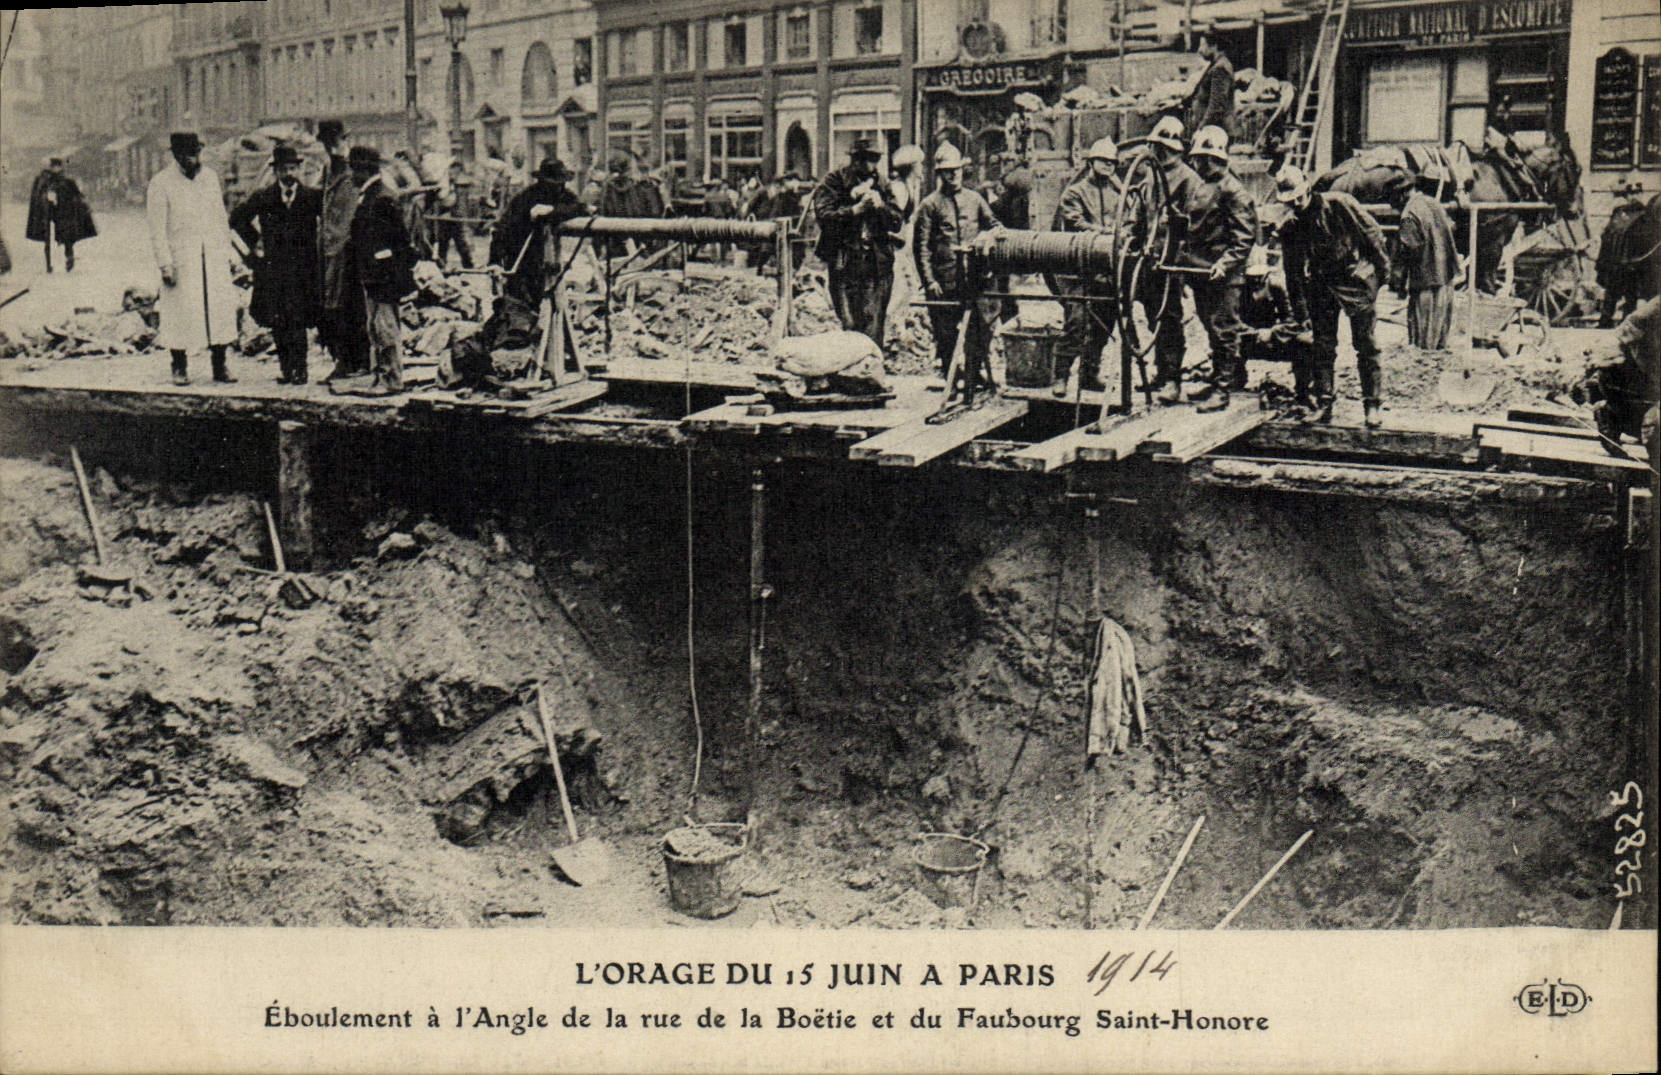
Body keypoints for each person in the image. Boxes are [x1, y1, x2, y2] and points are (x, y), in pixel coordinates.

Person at [448, 158, 587, 393]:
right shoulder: (525, 199)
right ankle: (493, 356)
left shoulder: (562, 195)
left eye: (561, 183)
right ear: (542, 181)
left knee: (537, 309)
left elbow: (580, 208)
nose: (558, 187)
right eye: (553, 182)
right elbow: (500, 231)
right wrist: (494, 262)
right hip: (521, 262)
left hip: (544, 263)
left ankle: (533, 360)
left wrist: (551, 211)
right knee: (518, 312)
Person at [1275, 163, 1391, 428]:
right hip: (1321, 286)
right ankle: (1325, 403)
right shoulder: (1291, 227)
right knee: (1323, 347)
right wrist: (1300, 311)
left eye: (1299, 198)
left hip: (1354, 282)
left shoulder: (1339, 204)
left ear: (1307, 189)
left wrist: (1380, 276)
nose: (1297, 205)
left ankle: (1372, 405)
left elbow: (1373, 235)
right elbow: (1292, 273)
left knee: (1366, 345)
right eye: (1290, 202)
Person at [146, 132, 241, 386]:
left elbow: (221, 219)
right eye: (189, 155)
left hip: (212, 255)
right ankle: (179, 365)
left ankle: (219, 364)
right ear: (177, 155)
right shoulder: (161, 183)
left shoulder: (209, 178)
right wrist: (165, 263)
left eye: (197, 153)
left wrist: (228, 254)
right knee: (180, 312)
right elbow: (157, 230)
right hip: (182, 259)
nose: (195, 159)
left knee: (217, 310)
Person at [1175, 125, 1256, 412]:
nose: (1195, 162)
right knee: (1210, 326)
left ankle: (1223, 390)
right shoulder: (1201, 186)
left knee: (1224, 329)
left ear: (1213, 159)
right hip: (1201, 272)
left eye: (1200, 158)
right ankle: (1221, 380)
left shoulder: (1233, 190)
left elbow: (1245, 237)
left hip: (1223, 275)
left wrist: (1225, 263)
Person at [230, 143, 323, 385]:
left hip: (304, 270)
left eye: (293, 168)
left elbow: (331, 221)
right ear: (276, 171)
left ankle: (301, 369)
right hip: (274, 269)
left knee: (299, 320)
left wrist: (321, 250)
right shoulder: (265, 197)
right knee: (278, 319)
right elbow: (237, 219)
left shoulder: (311, 197)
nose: (290, 174)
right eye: (284, 169)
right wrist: (255, 251)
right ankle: (285, 368)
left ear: (299, 170)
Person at [913, 142, 1002, 391]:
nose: (953, 175)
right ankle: (951, 376)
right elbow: (921, 248)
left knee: (981, 326)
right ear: (939, 174)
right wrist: (930, 281)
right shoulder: (929, 205)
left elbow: (995, 225)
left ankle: (974, 372)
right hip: (945, 280)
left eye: (956, 170)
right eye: (947, 171)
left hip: (975, 277)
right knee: (946, 332)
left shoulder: (975, 199)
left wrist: (990, 236)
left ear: (963, 170)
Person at [1135, 116, 1204, 403]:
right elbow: (1140, 214)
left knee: (1170, 317)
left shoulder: (1188, 178)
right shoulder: (1151, 177)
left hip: (1171, 261)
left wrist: (1180, 256)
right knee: (1154, 318)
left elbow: (1195, 223)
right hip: (1150, 259)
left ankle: (1173, 379)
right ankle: (1162, 372)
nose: (1155, 151)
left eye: (1159, 147)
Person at [813, 138, 904, 343]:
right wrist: (854, 210)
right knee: (849, 322)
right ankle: (849, 371)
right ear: (852, 160)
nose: (867, 166)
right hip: (844, 262)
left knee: (873, 323)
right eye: (862, 160)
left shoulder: (882, 183)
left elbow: (897, 221)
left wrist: (881, 207)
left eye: (873, 160)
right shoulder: (834, 181)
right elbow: (824, 216)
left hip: (876, 263)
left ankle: (869, 370)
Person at [346, 146, 417, 395]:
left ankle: (391, 378)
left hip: (383, 276)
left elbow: (398, 239)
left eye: (353, 169)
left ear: (363, 170)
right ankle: (382, 376)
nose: (351, 175)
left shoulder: (381, 197)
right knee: (375, 327)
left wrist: (386, 267)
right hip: (374, 274)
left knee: (385, 327)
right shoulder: (371, 195)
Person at [1054, 137, 1123, 393]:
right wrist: (1105, 232)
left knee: (1105, 324)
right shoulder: (1074, 193)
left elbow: (1127, 221)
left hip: (1105, 270)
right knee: (1076, 323)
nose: (1108, 166)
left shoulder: (1118, 192)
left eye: (1112, 162)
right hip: (1078, 269)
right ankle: (1060, 376)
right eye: (1103, 161)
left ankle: (1089, 374)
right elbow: (1075, 223)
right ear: (1091, 162)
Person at [315, 119, 370, 382]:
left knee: (350, 307)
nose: (332, 149)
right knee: (332, 306)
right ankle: (344, 360)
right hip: (329, 248)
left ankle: (355, 362)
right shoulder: (328, 171)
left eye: (335, 143)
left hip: (348, 249)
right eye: (328, 145)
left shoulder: (353, 171)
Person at [1391, 168, 1459, 351]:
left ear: (1404, 193)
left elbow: (1408, 253)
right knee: (1440, 341)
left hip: (1425, 286)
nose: (1393, 205)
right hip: (1446, 279)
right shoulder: (1432, 203)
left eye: (1394, 198)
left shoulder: (1408, 216)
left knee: (1423, 344)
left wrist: (1398, 283)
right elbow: (1451, 228)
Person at [26, 157, 96, 273]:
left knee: (67, 236)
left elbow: (78, 195)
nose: (55, 169)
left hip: (64, 212)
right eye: (54, 167)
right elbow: (39, 194)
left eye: (57, 167)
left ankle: (69, 257)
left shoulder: (66, 181)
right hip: (49, 211)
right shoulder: (46, 179)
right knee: (48, 237)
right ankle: (49, 264)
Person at [1597, 176, 1650, 328]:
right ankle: (1606, 320)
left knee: (1629, 294)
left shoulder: (1644, 215)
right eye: (1631, 194)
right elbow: (1607, 233)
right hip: (1617, 261)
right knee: (1613, 292)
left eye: (1637, 193)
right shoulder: (1620, 213)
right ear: (1627, 196)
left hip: (1630, 262)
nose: (1634, 197)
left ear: (1641, 194)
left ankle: (1623, 322)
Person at [1185, 32, 1235, 140]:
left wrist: (1201, 129)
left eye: (1202, 45)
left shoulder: (1220, 68)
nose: (1199, 50)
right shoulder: (1215, 65)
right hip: (1211, 130)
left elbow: (1216, 106)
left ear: (1214, 46)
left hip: (1215, 132)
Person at [432, 160, 480, 269]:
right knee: (443, 243)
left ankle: (468, 265)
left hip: (454, 217)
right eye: (452, 171)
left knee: (460, 243)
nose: (452, 173)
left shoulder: (460, 184)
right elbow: (442, 198)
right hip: (445, 217)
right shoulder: (445, 181)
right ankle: (442, 265)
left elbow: (459, 202)